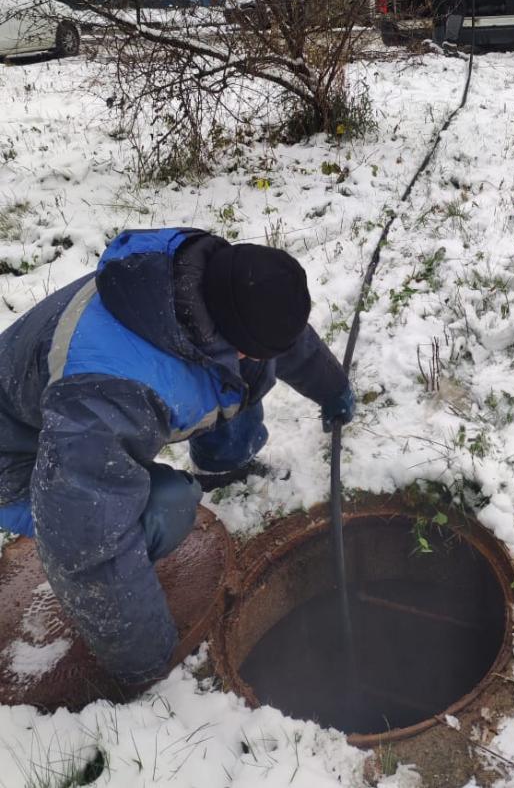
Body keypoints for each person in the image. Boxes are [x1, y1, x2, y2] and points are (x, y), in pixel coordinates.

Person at [0, 227, 354, 689]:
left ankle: (223, 464)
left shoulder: (213, 284)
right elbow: (86, 540)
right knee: (166, 506)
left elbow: (285, 343)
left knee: (241, 377)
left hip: (69, 424)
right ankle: (119, 614)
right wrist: (146, 666)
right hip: (17, 461)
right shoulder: (105, 395)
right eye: (255, 347)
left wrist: (334, 389)